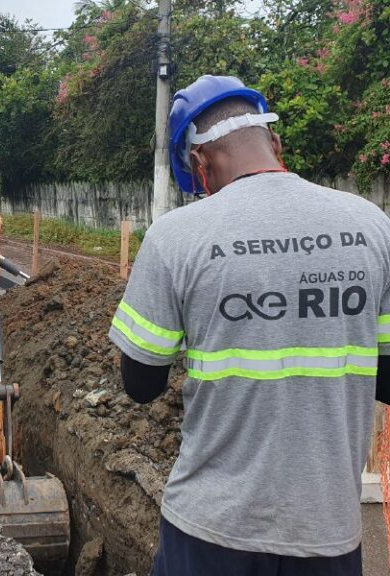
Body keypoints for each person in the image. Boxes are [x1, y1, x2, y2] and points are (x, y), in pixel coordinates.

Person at [109, 75, 390, 576]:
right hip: (326, 533)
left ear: (199, 164)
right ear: (274, 142)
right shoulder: (373, 226)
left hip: (209, 530)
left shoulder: (175, 237)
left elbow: (141, 385)